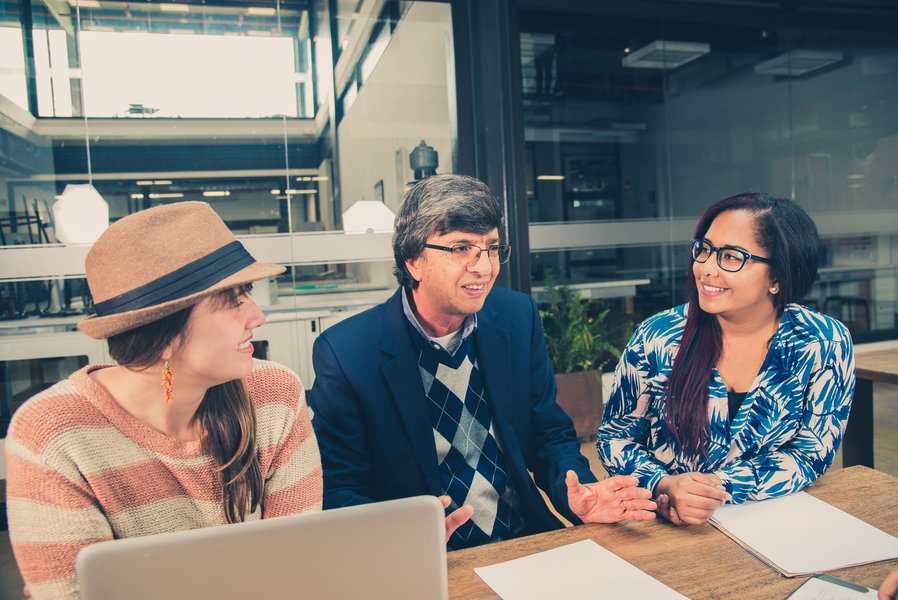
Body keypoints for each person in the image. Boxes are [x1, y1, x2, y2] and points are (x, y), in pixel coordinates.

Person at [308, 174, 655, 550]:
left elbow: (548, 435)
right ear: (413, 261)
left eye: (491, 248)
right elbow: (338, 488)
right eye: (461, 248)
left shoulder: (515, 317)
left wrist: (578, 492)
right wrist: (402, 535)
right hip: (428, 556)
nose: (484, 267)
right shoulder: (348, 353)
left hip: (524, 537)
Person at [5, 202, 323, 599]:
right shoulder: (51, 435)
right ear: (165, 335)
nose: (258, 316)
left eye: (247, 294)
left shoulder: (274, 394)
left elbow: (296, 564)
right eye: (232, 300)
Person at [598, 192, 855, 526]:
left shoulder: (823, 341)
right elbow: (615, 438)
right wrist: (663, 484)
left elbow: (811, 452)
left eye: (731, 257)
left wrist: (718, 487)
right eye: (704, 249)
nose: (706, 268)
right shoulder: (658, 336)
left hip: (776, 520)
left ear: (778, 275)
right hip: (668, 526)